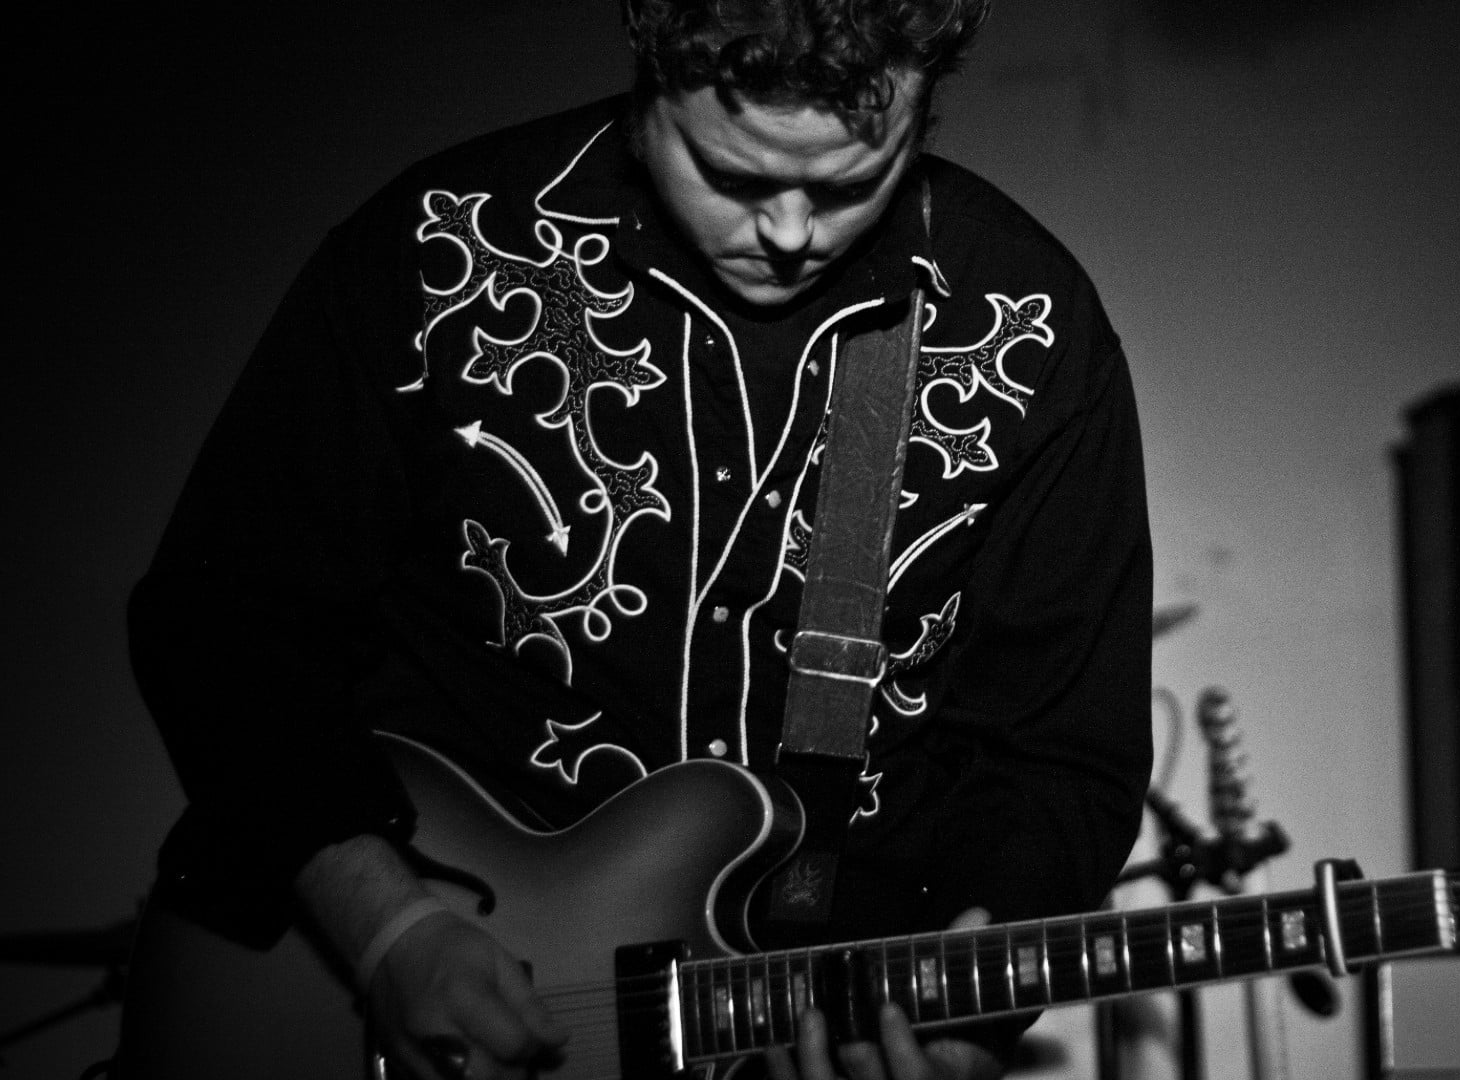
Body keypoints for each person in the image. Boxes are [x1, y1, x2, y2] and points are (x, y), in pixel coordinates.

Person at [124, 2, 1152, 1078]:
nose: (792, 232)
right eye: (737, 176)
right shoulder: (441, 244)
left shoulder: (1028, 324)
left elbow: (1058, 757)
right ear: (651, 71)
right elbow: (223, 620)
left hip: (769, 1029)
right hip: (369, 967)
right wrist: (388, 927)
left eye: (852, 183)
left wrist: (964, 1025)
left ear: (925, 105)